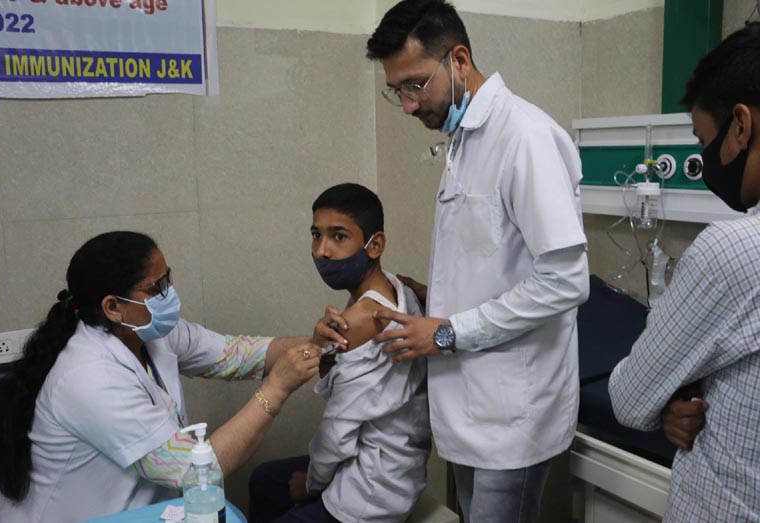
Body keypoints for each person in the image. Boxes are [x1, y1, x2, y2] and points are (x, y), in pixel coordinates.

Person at [333, 2, 590, 522]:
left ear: (459, 59)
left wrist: (446, 330)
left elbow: (565, 280)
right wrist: (434, 297)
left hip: (511, 415)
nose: (407, 105)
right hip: (471, 406)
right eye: (398, 90)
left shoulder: (524, 138)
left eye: (415, 85)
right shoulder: (464, 141)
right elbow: (495, 257)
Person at [0, 231, 321, 523]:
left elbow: (237, 355)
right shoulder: (88, 376)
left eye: (168, 279)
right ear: (113, 307)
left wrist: (324, 343)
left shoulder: (149, 332)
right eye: (155, 287)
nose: (169, 294)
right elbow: (191, 471)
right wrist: (276, 389)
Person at [608, 23, 760, 522]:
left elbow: (630, 400)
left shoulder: (733, 252)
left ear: (741, 126)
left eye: (702, 139)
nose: (702, 157)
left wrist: (669, 391)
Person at [248, 183, 431, 523]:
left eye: (338, 237)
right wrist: (324, 352)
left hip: (370, 488)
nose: (321, 251)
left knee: (278, 487)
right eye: (316, 235)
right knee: (264, 479)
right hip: (395, 461)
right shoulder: (395, 286)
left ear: (374, 245)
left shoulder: (361, 320)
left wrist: (312, 484)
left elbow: (338, 429)